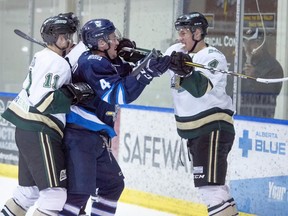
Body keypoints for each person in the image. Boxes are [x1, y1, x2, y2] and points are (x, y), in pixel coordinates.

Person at [59, 18, 171, 216]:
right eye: (113, 38)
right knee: (78, 195)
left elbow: (129, 75)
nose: (117, 41)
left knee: (112, 185)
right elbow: (120, 93)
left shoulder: (107, 61)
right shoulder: (92, 62)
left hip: (94, 137)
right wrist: (146, 71)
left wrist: (152, 61)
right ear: (101, 43)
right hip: (80, 136)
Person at [0, 15, 93, 216]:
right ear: (55, 38)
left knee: (28, 192)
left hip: (27, 129)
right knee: (54, 196)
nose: (68, 40)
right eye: (64, 36)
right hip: (40, 131)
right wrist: (71, 93)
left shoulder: (43, 57)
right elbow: (44, 100)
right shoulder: (56, 63)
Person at [164, 12, 238, 216]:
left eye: (184, 32)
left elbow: (200, 89)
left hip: (213, 128)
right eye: (179, 32)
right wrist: (130, 54)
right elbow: (155, 66)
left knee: (210, 188)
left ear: (197, 33)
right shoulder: (176, 50)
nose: (180, 37)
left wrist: (186, 71)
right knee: (215, 188)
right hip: (195, 132)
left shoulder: (213, 56)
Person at [241, 27, 284, 118]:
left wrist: (255, 76)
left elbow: (272, 93)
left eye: (252, 42)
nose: (248, 46)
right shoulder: (240, 62)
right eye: (245, 41)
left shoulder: (273, 66)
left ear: (261, 44)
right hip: (240, 116)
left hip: (262, 118)